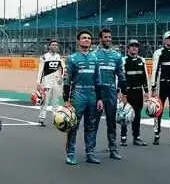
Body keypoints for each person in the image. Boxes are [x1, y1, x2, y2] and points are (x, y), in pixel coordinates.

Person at [63, 30, 102, 165]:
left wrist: (99, 98)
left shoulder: (95, 58)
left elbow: (98, 80)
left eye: (89, 38)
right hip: (78, 94)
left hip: (92, 94)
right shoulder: (72, 58)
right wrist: (66, 100)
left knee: (91, 125)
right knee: (73, 125)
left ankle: (90, 153)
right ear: (78, 41)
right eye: (84, 38)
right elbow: (67, 80)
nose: (87, 40)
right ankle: (70, 154)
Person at [93, 28, 127, 160]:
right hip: (97, 93)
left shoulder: (116, 56)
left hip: (111, 93)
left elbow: (121, 76)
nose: (108, 39)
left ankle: (113, 149)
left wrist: (124, 93)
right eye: (105, 37)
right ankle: (91, 150)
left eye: (109, 37)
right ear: (100, 39)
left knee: (111, 122)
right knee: (93, 122)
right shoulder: (94, 54)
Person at [121, 39, 149, 146]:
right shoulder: (124, 60)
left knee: (137, 115)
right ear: (128, 48)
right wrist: (122, 92)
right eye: (132, 46)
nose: (134, 48)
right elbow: (121, 78)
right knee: (125, 114)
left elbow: (144, 77)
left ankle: (136, 137)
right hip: (128, 93)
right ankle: (123, 137)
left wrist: (146, 91)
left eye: (136, 46)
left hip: (138, 92)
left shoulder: (142, 60)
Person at [36, 39, 64, 127]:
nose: (55, 46)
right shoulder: (44, 57)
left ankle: (56, 120)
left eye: (56, 45)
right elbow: (40, 71)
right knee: (45, 102)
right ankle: (41, 119)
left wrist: (61, 78)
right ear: (49, 46)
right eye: (53, 45)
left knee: (56, 103)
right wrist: (38, 82)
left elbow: (63, 68)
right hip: (46, 83)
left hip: (56, 83)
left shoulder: (59, 57)